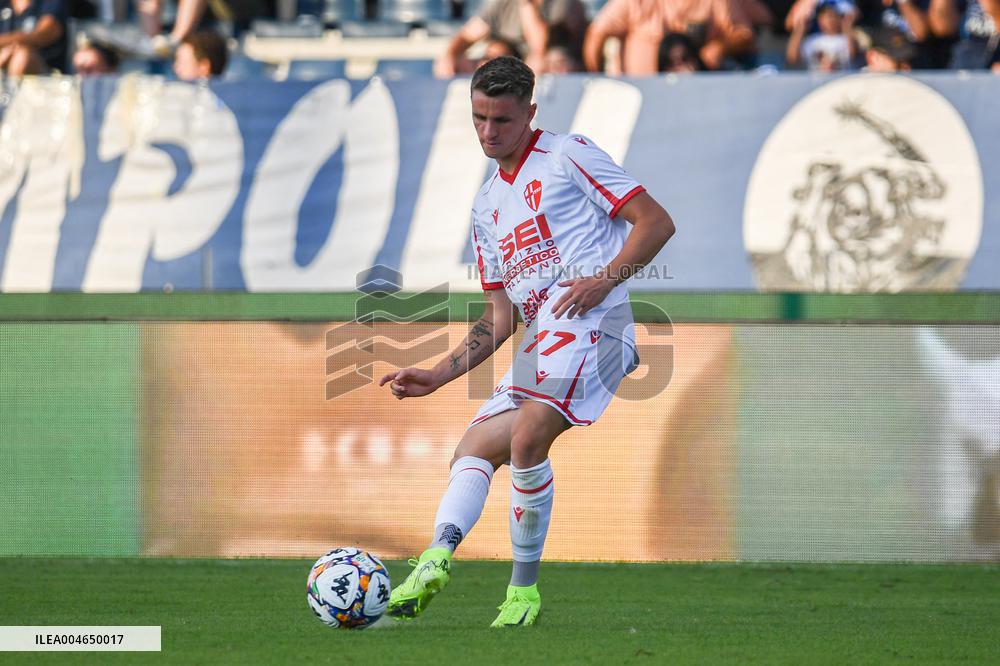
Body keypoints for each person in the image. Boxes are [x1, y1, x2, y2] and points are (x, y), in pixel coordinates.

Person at [379, 56, 675, 627]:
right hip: (545, 339)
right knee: (472, 451)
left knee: (528, 437)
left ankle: (522, 594)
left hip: (601, 324)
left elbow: (655, 221)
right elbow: (499, 316)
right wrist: (436, 374)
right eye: (479, 119)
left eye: (502, 120)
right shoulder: (486, 206)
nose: (489, 132)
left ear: (530, 114)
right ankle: (435, 560)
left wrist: (604, 278)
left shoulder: (569, 156)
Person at [582, 0, 758, 74]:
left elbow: (745, 35)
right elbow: (597, 33)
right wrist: (597, 79)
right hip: (640, 99)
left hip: (696, 97)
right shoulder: (636, 2)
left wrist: (719, 48)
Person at [435, 0, 587, 76]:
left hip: (552, 63)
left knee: (544, 62)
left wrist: (527, 6)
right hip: (518, 61)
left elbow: (539, 46)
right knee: (489, 57)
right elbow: (467, 36)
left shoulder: (564, 4)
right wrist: (450, 55)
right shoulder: (502, 3)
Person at [0, 0, 68, 75]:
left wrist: (13, 48)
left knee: (22, 56)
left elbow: (45, 34)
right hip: (4, 64)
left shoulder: (50, 3)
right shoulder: (4, 4)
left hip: (48, 72)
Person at [786, 0, 858, 69]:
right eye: (826, 16)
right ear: (819, 19)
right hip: (816, 81)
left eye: (833, 16)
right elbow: (792, 58)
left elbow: (853, 55)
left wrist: (847, 26)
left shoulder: (846, 39)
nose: (830, 20)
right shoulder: (812, 41)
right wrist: (800, 29)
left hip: (841, 80)